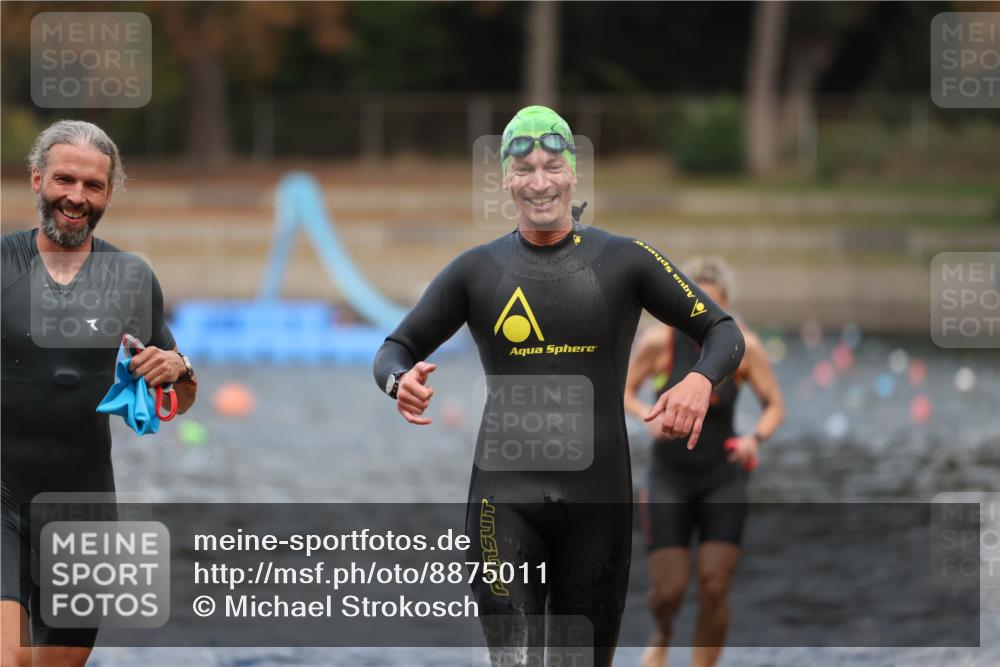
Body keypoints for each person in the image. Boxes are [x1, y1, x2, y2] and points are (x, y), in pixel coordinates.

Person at [373, 105, 745, 666]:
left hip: (598, 506)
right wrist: (398, 382)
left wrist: (698, 380)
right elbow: (392, 350)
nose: (540, 183)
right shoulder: (476, 271)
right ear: (506, 180)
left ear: (574, 173)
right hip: (504, 502)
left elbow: (722, 331)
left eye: (553, 166)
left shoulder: (625, 261)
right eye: (526, 171)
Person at [1, 120, 198, 666]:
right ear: (37, 178)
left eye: (93, 186)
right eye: (65, 180)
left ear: (109, 193)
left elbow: (177, 401)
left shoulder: (131, 278)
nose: (76, 197)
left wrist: (178, 368)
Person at [624, 257, 784, 667]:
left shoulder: (744, 347)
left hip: (722, 478)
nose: (704, 319)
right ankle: (662, 631)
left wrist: (755, 437)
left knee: (715, 586)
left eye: (714, 310)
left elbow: (774, 406)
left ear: (726, 310)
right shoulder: (660, 343)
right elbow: (623, 391)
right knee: (669, 590)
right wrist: (648, 418)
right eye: (696, 306)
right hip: (669, 480)